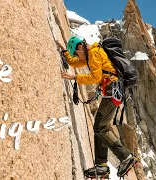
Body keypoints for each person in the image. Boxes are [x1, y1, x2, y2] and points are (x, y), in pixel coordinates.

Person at [56, 36, 139, 179]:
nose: (77, 55)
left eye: (76, 52)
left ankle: (126, 156)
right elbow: (74, 62)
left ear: (80, 47)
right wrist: (64, 50)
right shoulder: (90, 55)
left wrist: (74, 78)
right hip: (112, 90)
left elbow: (95, 77)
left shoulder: (94, 53)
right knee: (100, 127)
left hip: (112, 89)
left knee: (100, 127)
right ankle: (101, 166)